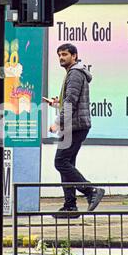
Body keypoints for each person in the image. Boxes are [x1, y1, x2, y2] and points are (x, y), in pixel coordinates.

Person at [48, 43, 104, 216]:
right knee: (67, 164)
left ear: (74, 56)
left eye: (65, 54)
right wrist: (56, 104)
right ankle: (70, 206)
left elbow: (71, 101)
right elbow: (72, 101)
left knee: (61, 162)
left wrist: (57, 122)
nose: (61, 58)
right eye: (59, 55)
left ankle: (90, 191)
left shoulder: (74, 74)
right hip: (75, 125)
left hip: (75, 126)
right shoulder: (74, 73)